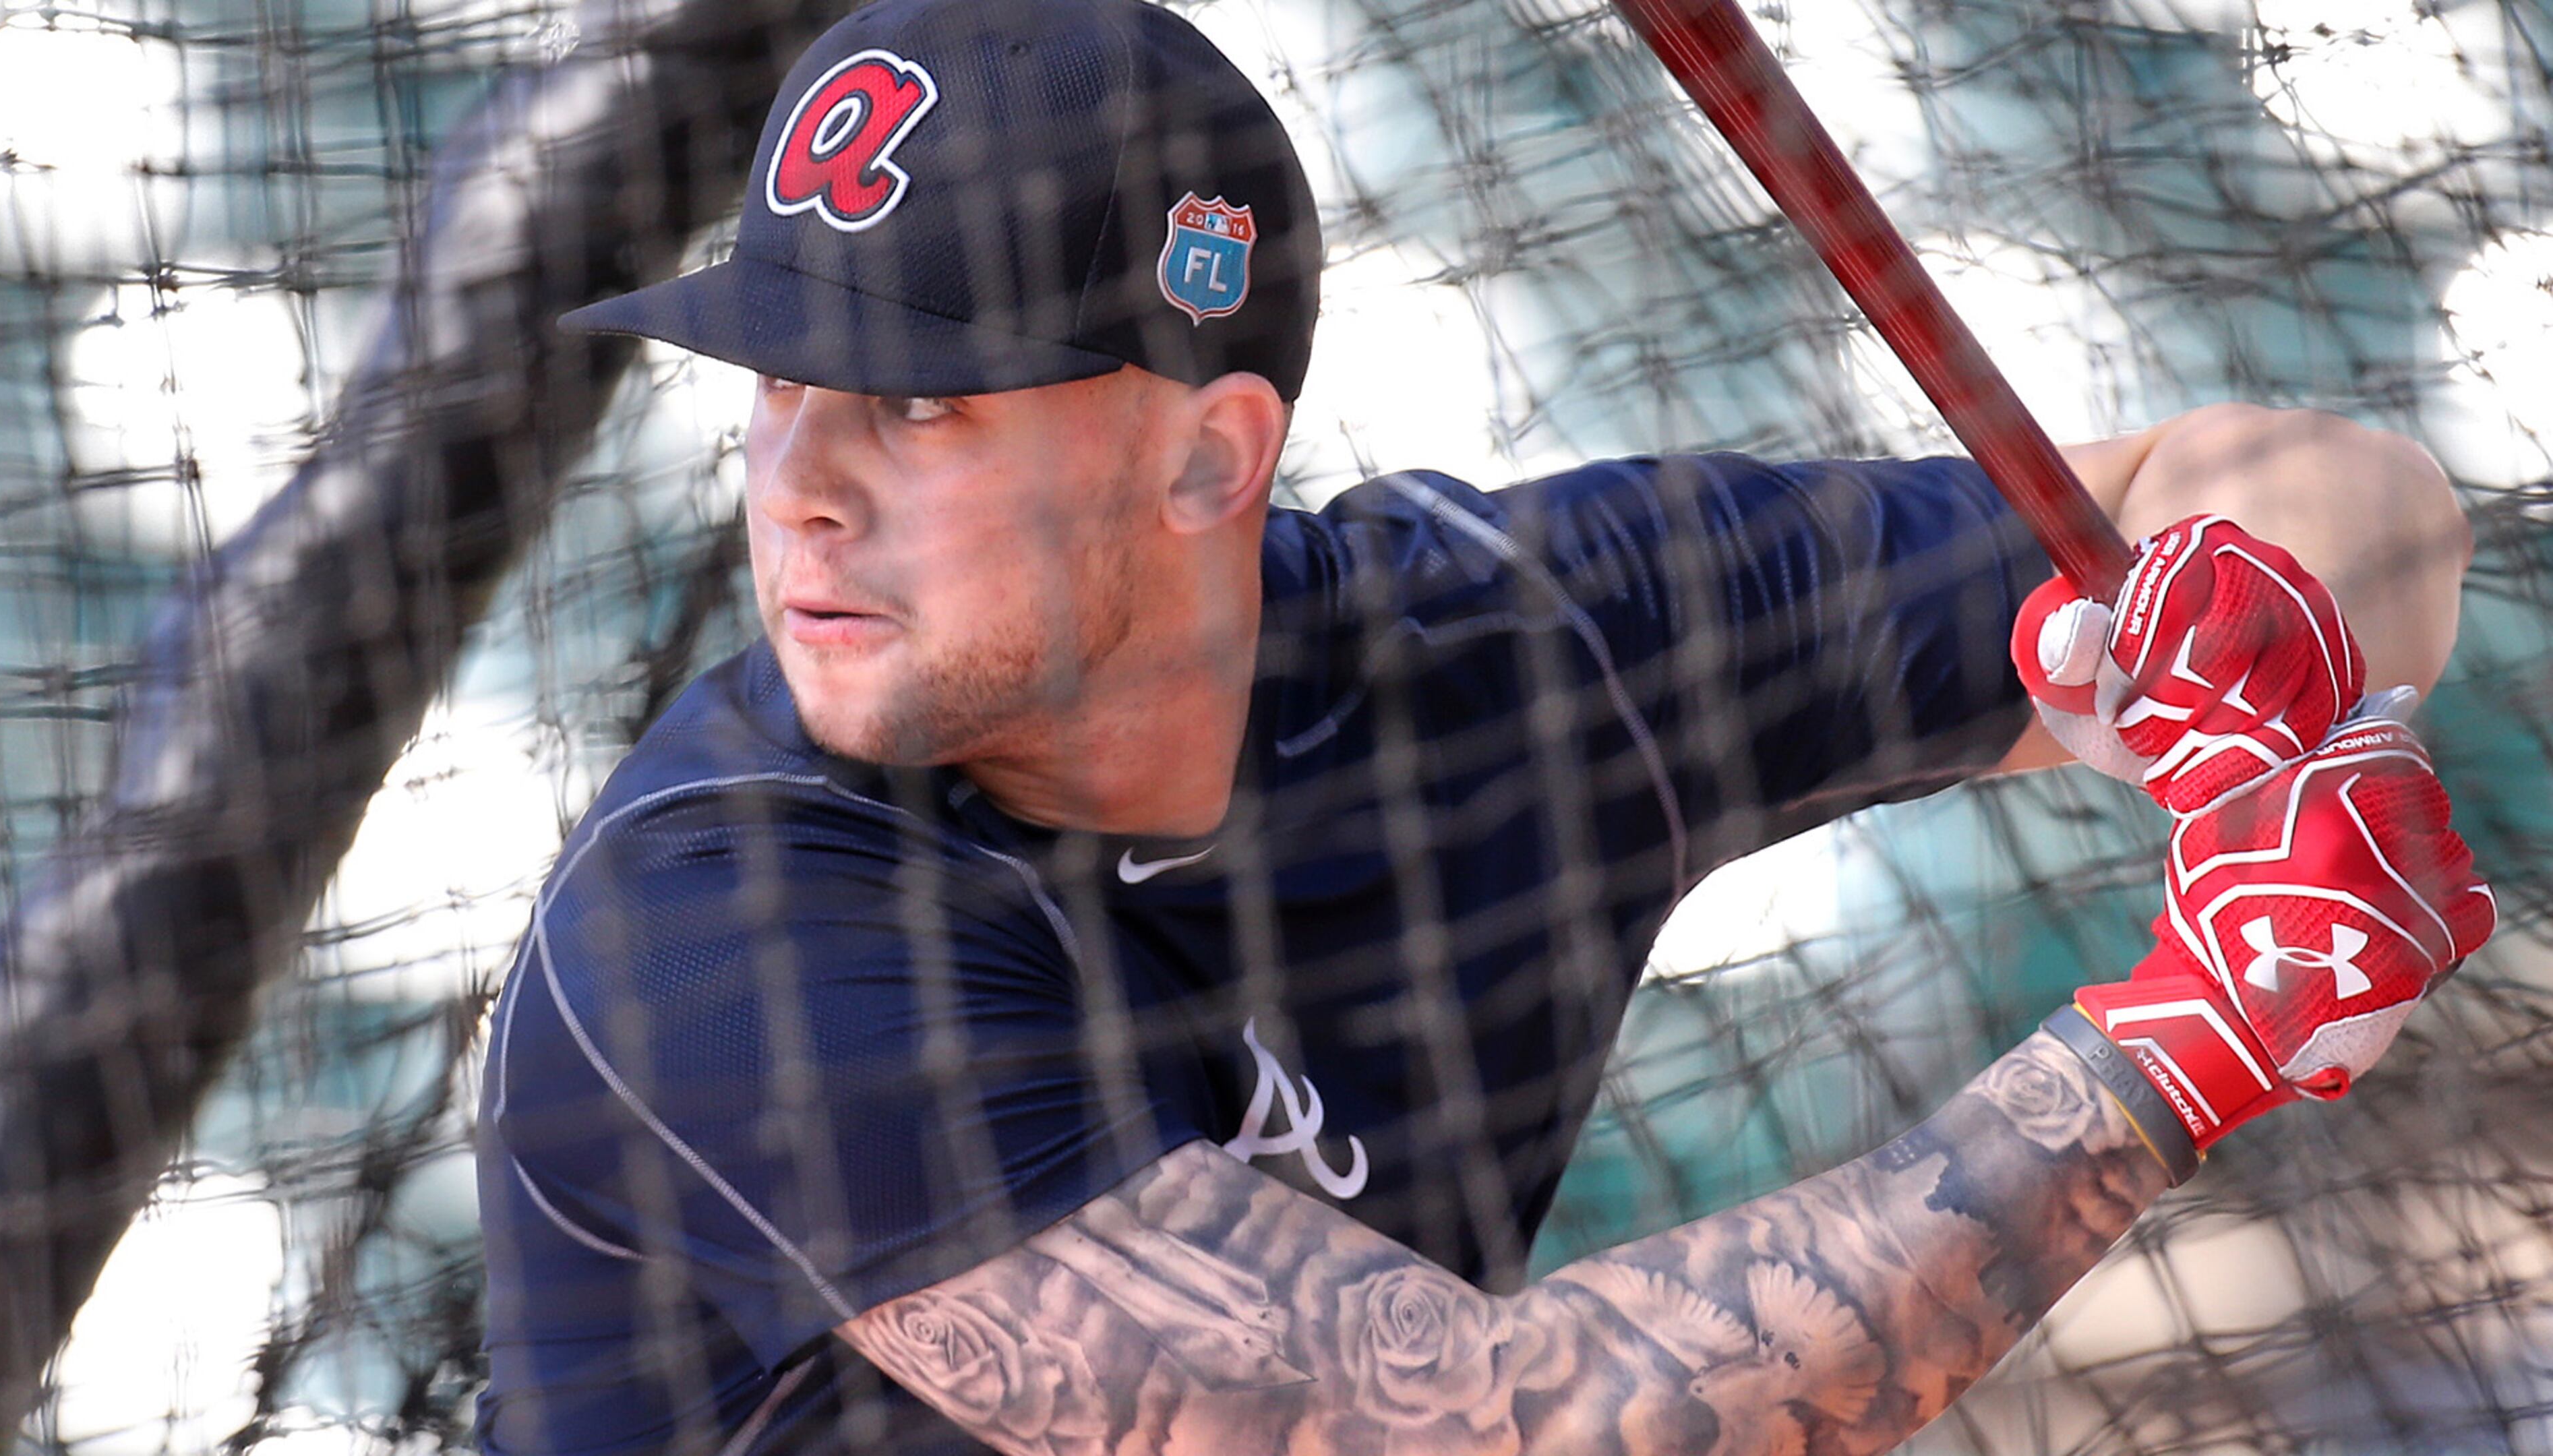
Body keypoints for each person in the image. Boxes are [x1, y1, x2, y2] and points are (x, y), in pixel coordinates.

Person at [473, 0, 2492, 1451]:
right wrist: (2189, 1039)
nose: (800, 486)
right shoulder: (721, 925)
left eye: (918, 406)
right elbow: (1469, 1433)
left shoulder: (1515, 641)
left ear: (1208, 459)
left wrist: (2226, 659)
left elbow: (2364, 507)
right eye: (775, 389)